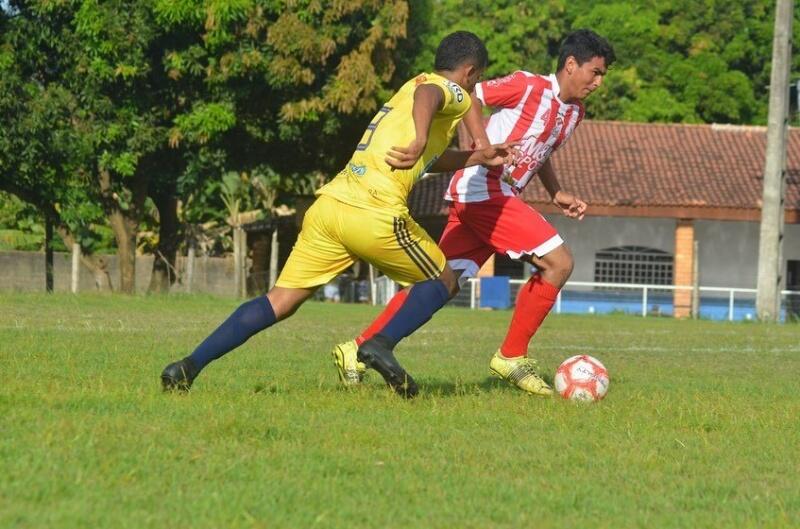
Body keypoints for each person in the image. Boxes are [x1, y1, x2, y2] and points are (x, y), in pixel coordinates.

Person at [161, 31, 517, 398]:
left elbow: (429, 157)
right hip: (375, 212)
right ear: (470, 72)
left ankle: (188, 365)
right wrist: (424, 138)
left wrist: (475, 156)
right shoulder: (446, 89)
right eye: (475, 82)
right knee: (445, 281)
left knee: (279, 301)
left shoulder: (409, 90)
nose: (473, 92)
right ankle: (379, 344)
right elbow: (436, 99)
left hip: (331, 207)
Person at [334, 29, 615, 396]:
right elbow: (468, 95)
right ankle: (512, 356)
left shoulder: (574, 112)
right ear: (571, 64)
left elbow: (541, 150)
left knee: (441, 283)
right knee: (559, 262)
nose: (598, 82)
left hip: (489, 196)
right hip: (483, 188)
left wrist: (555, 191)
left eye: (602, 76)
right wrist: (479, 144)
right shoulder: (528, 86)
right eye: (594, 72)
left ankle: (356, 348)